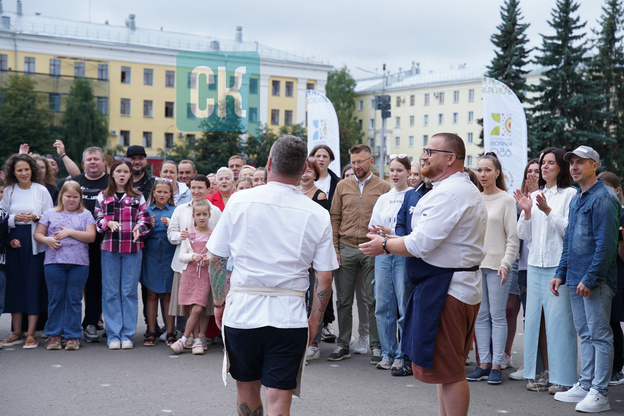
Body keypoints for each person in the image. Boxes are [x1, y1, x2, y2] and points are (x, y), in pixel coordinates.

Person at [207, 135, 337, 416]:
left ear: (268, 163)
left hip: (242, 311)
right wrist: (314, 321)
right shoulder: (316, 213)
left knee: (247, 389)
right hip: (288, 316)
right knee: (279, 397)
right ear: (304, 169)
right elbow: (324, 277)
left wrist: (219, 303)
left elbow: (216, 259)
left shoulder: (240, 201)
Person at [359, 132, 487, 416]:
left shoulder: (451, 193)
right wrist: (392, 236)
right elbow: (426, 237)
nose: (424, 156)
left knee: (450, 371)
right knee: (443, 369)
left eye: (430, 151)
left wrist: (384, 245)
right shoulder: (448, 189)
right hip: (446, 285)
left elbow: (420, 244)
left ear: (451, 158)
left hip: (447, 289)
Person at [551, 145, 620, 413]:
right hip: (576, 279)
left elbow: (606, 246)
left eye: (582, 162)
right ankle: (586, 383)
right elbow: (569, 240)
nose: (575, 167)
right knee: (586, 334)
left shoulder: (604, 198)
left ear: (594, 165)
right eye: (572, 163)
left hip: (596, 282)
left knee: (600, 335)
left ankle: (600, 393)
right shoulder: (577, 198)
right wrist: (561, 273)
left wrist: (590, 279)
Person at [514, 149, 578, 393]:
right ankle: (536, 374)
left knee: (560, 323)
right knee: (532, 322)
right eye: (543, 163)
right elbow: (523, 234)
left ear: (561, 167)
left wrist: (548, 211)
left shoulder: (570, 195)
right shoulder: (536, 193)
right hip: (534, 265)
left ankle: (564, 379)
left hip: (557, 265)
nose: (544, 167)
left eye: (550, 163)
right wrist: (527, 211)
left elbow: (569, 231)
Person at [329, 144, 391, 364]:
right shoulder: (342, 186)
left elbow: (388, 220)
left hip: (371, 248)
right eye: (353, 162)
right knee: (343, 300)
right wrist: (334, 249)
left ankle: (376, 346)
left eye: (360, 162)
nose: (356, 166)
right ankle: (343, 344)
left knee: (374, 300)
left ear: (370, 162)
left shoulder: (384, 187)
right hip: (345, 247)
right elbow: (334, 217)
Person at [467, 153, 519, 385]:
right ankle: (483, 364)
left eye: (487, 170)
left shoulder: (507, 200)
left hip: (498, 267)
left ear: (497, 172)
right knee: (481, 316)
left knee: (498, 317)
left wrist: (506, 264)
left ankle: (497, 365)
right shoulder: (475, 198)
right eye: (479, 170)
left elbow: (513, 238)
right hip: (477, 266)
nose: (483, 174)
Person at [95, 159, 151, 350]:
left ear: (129, 175)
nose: (122, 174)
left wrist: (139, 228)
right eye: (118, 171)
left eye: (125, 172)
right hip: (109, 249)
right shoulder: (103, 196)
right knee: (110, 292)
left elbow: (145, 220)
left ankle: (127, 334)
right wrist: (107, 224)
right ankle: (113, 335)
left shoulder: (138, 197)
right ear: (112, 174)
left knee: (128, 292)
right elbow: (97, 218)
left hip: (133, 250)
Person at [34, 181, 96, 350]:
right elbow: (38, 234)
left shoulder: (86, 214)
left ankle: (72, 336)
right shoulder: (50, 213)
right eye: (68, 196)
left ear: (80, 198)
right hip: (54, 263)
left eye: (75, 197)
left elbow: (91, 236)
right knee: (55, 298)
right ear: (62, 196)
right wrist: (46, 239)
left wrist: (70, 232)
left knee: (74, 299)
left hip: (79, 263)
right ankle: (54, 334)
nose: (71, 200)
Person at [0, 154, 54, 349]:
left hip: (35, 244)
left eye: (26, 169)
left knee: (32, 285)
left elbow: (50, 216)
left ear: (32, 170)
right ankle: (16, 332)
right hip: (15, 244)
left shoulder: (41, 190)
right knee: (15, 286)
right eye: (19, 170)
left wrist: (35, 216)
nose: (24, 173)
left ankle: (31, 333)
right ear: (13, 173)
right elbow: (2, 217)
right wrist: (15, 219)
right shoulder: (9, 191)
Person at [368, 155, 412, 371]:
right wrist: (378, 233)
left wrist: (391, 233)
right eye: (392, 170)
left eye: (399, 170)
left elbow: (415, 232)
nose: (395, 174)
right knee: (383, 304)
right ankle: (388, 352)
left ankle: (403, 355)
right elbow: (372, 227)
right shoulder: (383, 199)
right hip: (383, 255)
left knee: (404, 305)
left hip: (403, 253)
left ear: (409, 173)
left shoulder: (414, 197)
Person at [168, 175, 221, 348]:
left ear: (208, 189)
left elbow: (219, 237)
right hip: (185, 264)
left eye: (200, 188)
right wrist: (180, 236)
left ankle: (201, 336)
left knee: (204, 304)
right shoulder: (181, 209)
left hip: (207, 266)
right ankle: (190, 336)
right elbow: (171, 234)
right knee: (189, 302)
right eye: (193, 188)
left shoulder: (215, 211)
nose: (196, 191)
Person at [392, 160, 433, 377]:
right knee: (407, 311)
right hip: (411, 262)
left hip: (434, 264)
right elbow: (400, 222)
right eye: (418, 170)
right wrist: (403, 241)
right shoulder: (411, 195)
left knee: (427, 313)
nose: (421, 174)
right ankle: (405, 358)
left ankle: (424, 358)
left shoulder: (440, 195)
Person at [71, 147, 109, 343]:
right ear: (83, 163)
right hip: (75, 243)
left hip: (102, 243)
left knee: (96, 283)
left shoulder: (111, 183)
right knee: (75, 285)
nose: (92, 162)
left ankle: (92, 322)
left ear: (103, 162)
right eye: (89, 159)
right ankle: (69, 326)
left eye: (96, 159)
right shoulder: (73, 183)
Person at [508, 158, 540, 381]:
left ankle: (544, 367)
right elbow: (519, 234)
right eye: (530, 171)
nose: (533, 175)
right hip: (523, 266)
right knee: (528, 317)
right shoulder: (520, 200)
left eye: (537, 171)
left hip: (543, 265)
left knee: (544, 319)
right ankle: (530, 364)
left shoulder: (550, 198)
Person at [170, 200, 213, 356]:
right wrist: (192, 256)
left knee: (198, 307)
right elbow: (182, 255)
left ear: (209, 215)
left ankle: (183, 339)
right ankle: (196, 341)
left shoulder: (213, 235)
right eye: (198, 214)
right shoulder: (189, 233)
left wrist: (209, 258)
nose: (202, 217)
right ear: (193, 216)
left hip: (204, 275)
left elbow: (216, 255)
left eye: (205, 214)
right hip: (189, 273)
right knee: (190, 306)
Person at [141, 179, 176, 346]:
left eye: (165, 192)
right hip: (152, 257)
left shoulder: (176, 211)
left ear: (170, 194)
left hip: (169, 256)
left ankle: (170, 331)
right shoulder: (146, 211)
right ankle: (152, 330)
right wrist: (149, 228)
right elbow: (140, 236)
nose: (162, 195)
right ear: (153, 193)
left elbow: (178, 236)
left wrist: (170, 226)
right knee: (152, 294)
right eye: (159, 192)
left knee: (168, 294)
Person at [300, 158, 330, 360]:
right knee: (300, 298)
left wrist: (313, 256)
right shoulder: (293, 194)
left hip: (314, 253)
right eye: (302, 171)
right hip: (296, 254)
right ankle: (298, 339)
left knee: (314, 298)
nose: (305, 175)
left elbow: (321, 229)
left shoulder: (320, 196)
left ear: (316, 174)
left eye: (309, 171)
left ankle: (314, 341)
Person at [597, 172, 624, 386]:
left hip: (617, 273)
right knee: (607, 322)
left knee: (613, 322)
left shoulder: (621, 213)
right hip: (606, 272)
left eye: (605, 187)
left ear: (617, 190)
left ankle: (616, 369)